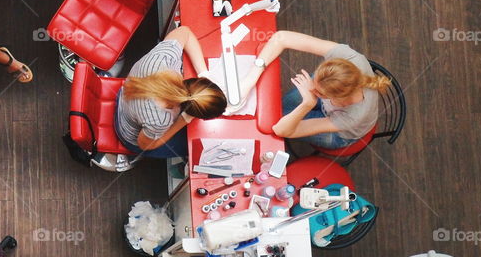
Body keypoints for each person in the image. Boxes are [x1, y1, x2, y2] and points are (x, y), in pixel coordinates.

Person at [235, 30, 391, 148]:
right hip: (330, 101)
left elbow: (281, 130)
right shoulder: (349, 58)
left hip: (339, 133)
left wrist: (307, 103)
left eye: (318, 91)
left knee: (274, 121)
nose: (310, 87)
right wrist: (250, 79)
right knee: (276, 110)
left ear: (335, 99)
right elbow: (282, 37)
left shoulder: (352, 117)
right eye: (314, 80)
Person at [114, 25, 227, 159]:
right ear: (189, 111)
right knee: (193, 145)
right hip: (126, 129)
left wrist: (204, 73)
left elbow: (184, 32)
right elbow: (144, 145)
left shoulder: (163, 60)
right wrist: (183, 121)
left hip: (127, 97)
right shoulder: (161, 120)